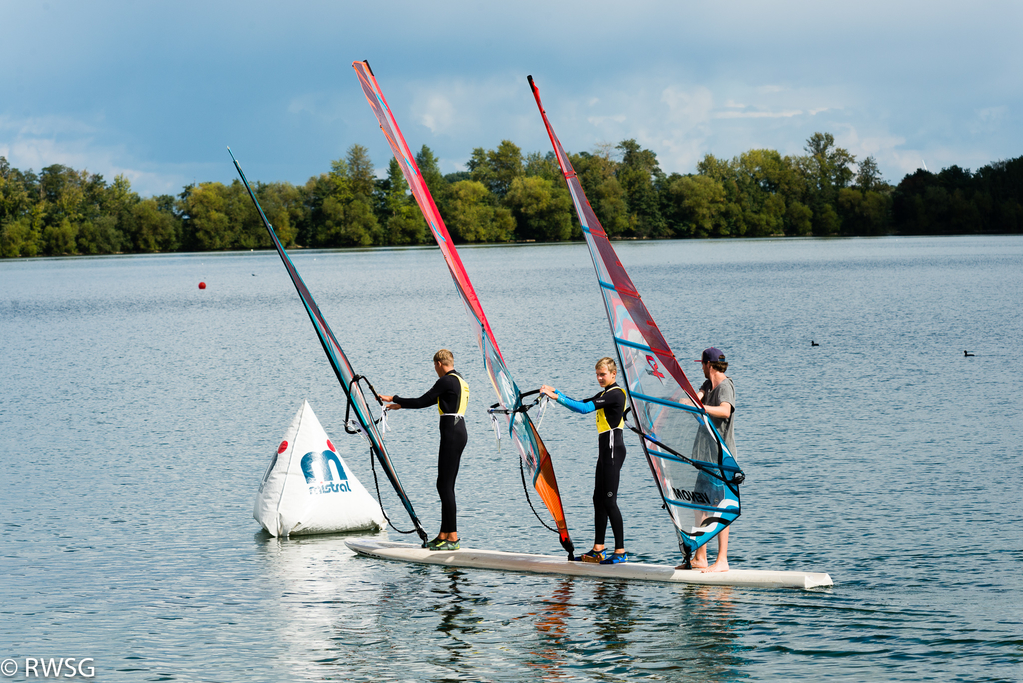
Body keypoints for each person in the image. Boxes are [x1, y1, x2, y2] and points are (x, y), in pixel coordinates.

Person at [540, 357, 629, 565]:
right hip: (605, 450)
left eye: (603, 374)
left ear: (613, 375)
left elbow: (584, 410)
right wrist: (557, 392)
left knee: (609, 500)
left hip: (613, 449)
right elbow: (582, 403)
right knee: (598, 498)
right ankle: (599, 549)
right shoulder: (605, 393)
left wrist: (556, 398)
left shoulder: (615, 394)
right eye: (597, 374)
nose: (599, 378)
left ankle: (621, 551)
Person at [378, 349, 469, 551]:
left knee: (445, 486)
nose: (435, 371)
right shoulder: (460, 380)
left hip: (452, 433)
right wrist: (399, 404)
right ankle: (444, 534)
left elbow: (422, 401)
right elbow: (429, 401)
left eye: (434, 367)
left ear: (438, 363)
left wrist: (395, 398)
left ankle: (452, 538)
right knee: (444, 484)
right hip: (458, 430)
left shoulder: (446, 380)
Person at [684, 347, 736, 573]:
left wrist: (702, 408)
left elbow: (725, 411)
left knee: (719, 507)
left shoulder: (725, 386)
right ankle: (701, 556)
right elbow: (694, 401)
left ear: (709, 364)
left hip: (720, 458)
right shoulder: (707, 385)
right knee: (699, 503)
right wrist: (688, 400)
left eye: (702, 364)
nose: (701, 368)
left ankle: (722, 560)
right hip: (704, 456)